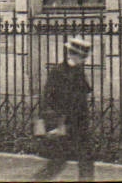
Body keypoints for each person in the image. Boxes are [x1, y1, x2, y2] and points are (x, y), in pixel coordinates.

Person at [32, 36, 95, 182]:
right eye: (83, 56)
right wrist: (52, 124)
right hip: (63, 122)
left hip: (79, 123)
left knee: (85, 158)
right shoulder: (58, 71)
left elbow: (84, 93)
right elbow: (48, 98)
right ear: (74, 54)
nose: (85, 59)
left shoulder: (78, 70)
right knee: (58, 161)